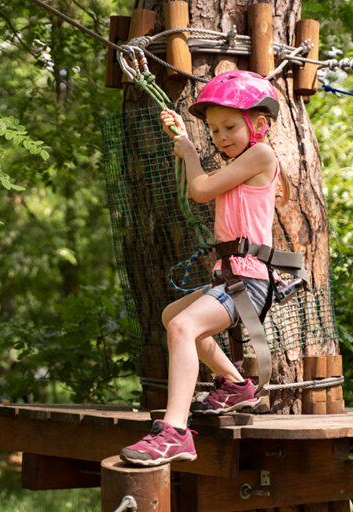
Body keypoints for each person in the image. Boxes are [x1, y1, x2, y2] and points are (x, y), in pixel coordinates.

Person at [120, 70, 290, 467]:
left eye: (229, 126)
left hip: (250, 278)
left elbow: (199, 189)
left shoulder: (262, 155)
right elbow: (202, 181)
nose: (221, 136)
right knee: (173, 317)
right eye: (213, 130)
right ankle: (235, 384)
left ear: (259, 124)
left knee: (184, 327)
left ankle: (174, 432)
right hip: (233, 275)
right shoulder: (239, 162)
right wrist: (184, 139)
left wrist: (191, 154)